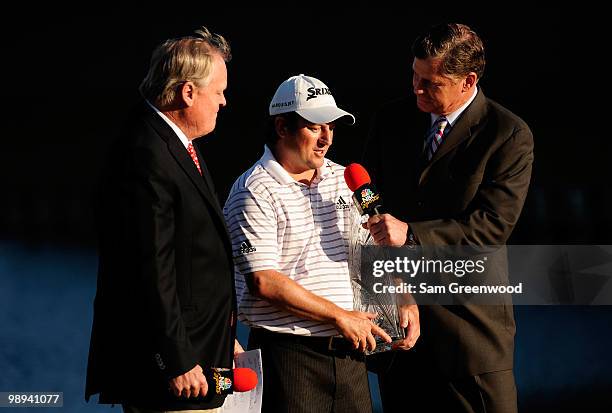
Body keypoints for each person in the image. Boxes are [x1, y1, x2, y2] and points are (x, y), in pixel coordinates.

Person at [223, 74, 420, 413]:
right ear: (282, 127)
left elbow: (370, 251)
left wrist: (401, 294)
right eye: (315, 126)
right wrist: (340, 316)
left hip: (351, 356)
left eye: (331, 126)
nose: (326, 138)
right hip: (289, 358)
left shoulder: (345, 180)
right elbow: (263, 281)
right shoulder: (253, 190)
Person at [363, 23, 534, 413]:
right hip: (400, 333)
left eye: (431, 83)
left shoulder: (508, 135)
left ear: (467, 80)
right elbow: (366, 203)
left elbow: (491, 227)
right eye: (414, 76)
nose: (417, 89)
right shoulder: (390, 120)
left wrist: (412, 234)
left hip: (470, 334)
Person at [85, 26, 242, 413]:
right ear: (188, 92)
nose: (224, 102)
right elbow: (150, 267)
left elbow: (195, 261)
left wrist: (224, 337)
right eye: (219, 91)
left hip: (203, 355)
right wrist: (175, 358)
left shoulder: (178, 144)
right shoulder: (145, 152)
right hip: (175, 373)